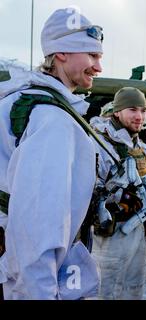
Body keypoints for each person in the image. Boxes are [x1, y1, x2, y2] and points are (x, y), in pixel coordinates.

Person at [0, 8, 103, 299]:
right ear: (61, 53)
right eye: (92, 56)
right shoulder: (53, 120)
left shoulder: (19, 100)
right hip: (32, 283)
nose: (98, 68)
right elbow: (37, 225)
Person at [89, 87, 146, 299]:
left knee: (133, 291)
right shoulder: (99, 144)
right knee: (104, 292)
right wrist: (121, 200)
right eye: (133, 109)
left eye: (143, 110)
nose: (139, 116)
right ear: (117, 111)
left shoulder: (144, 150)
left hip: (137, 233)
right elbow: (86, 193)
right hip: (110, 236)